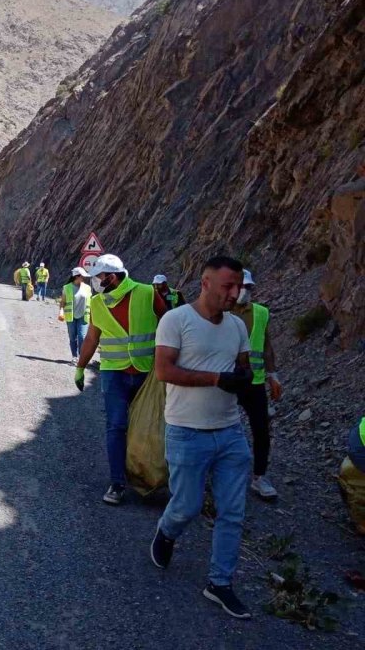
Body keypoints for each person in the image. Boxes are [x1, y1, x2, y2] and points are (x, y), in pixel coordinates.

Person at [150, 255, 254, 620]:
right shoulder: (176, 320)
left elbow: (243, 368)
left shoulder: (238, 327)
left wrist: (248, 381)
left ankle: (220, 582)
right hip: (186, 431)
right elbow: (164, 371)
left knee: (233, 512)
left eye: (238, 286)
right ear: (205, 282)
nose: (234, 293)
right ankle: (166, 530)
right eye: (228, 285)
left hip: (230, 432)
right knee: (187, 506)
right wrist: (215, 379)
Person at [75, 254, 167, 504]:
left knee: (148, 426)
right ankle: (117, 483)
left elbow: (169, 323)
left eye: (98, 278)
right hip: (113, 373)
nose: (94, 282)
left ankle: (150, 477)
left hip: (147, 374)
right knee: (116, 426)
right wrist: (80, 367)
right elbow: (92, 338)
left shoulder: (147, 293)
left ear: (112, 278)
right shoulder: (97, 303)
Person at [231, 269, 283, 501]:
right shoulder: (220, 311)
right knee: (217, 427)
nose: (245, 291)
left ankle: (259, 476)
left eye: (248, 287)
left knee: (261, 429)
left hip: (255, 382)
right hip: (226, 380)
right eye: (241, 286)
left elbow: (267, 345)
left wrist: (274, 375)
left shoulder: (261, 313)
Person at [58, 267, 92, 361]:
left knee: (82, 336)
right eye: (82, 276)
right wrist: (61, 312)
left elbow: (91, 302)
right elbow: (63, 302)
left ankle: (81, 357)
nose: (84, 278)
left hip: (83, 316)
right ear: (76, 276)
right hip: (71, 316)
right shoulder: (67, 287)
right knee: (73, 337)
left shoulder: (87, 288)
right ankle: (74, 356)